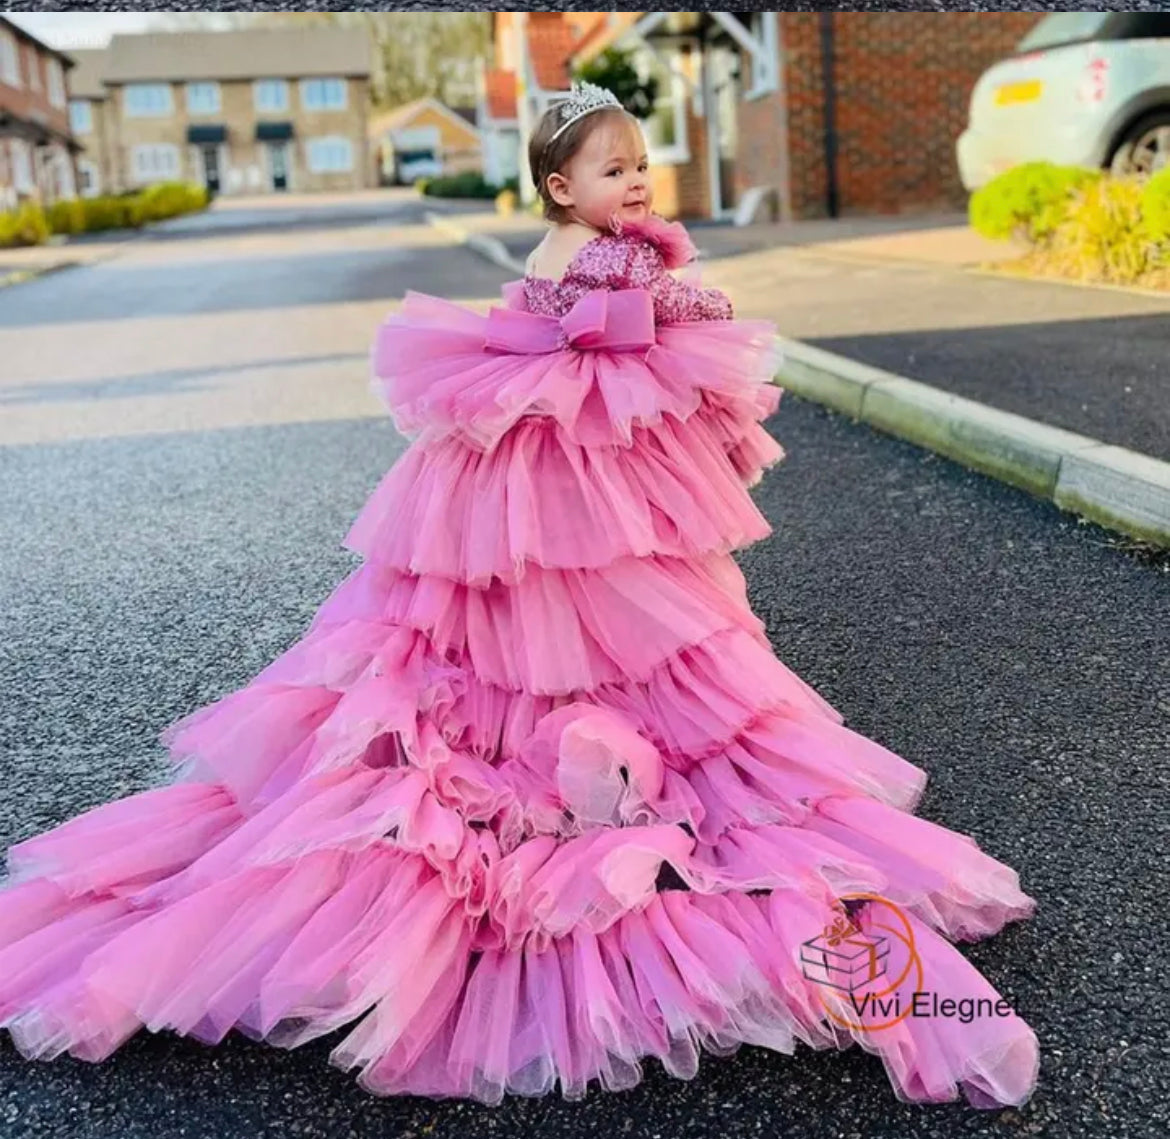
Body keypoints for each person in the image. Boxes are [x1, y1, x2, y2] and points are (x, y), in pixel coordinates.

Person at [0, 81, 1040, 1110]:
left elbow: (574, 319)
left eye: (641, 165)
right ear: (561, 184)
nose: (636, 183)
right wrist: (690, 293)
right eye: (614, 170)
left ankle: (540, 722)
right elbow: (652, 322)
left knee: (521, 608)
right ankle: (590, 749)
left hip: (525, 459)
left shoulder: (565, 252)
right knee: (613, 604)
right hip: (579, 459)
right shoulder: (609, 256)